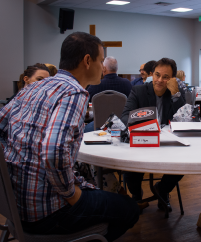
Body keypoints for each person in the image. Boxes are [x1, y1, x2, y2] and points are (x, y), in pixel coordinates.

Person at [0, 32, 139, 242]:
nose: (103, 67)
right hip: (46, 213)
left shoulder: (34, 87)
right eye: (101, 61)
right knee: (129, 208)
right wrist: (70, 194)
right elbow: (53, 151)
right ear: (87, 60)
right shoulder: (73, 92)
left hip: (15, 205)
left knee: (100, 194)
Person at [121, 58, 186, 212]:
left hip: (168, 143)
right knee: (129, 164)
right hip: (144, 139)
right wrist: (147, 125)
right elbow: (124, 117)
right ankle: (137, 196)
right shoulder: (139, 91)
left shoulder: (175, 93)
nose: (159, 80)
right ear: (152, 74)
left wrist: (176, 93)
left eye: (165, 77)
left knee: (185, 161)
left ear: (172, 79)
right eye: (157, 75)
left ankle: (162, 190)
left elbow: (185, 119)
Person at [84, 56, 132, 133]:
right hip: (121, 126)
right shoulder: (127, 84)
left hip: (99, 126)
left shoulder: (95, 85)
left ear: (104, 68)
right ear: (116, 69)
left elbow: (84, 102)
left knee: (84, 129)